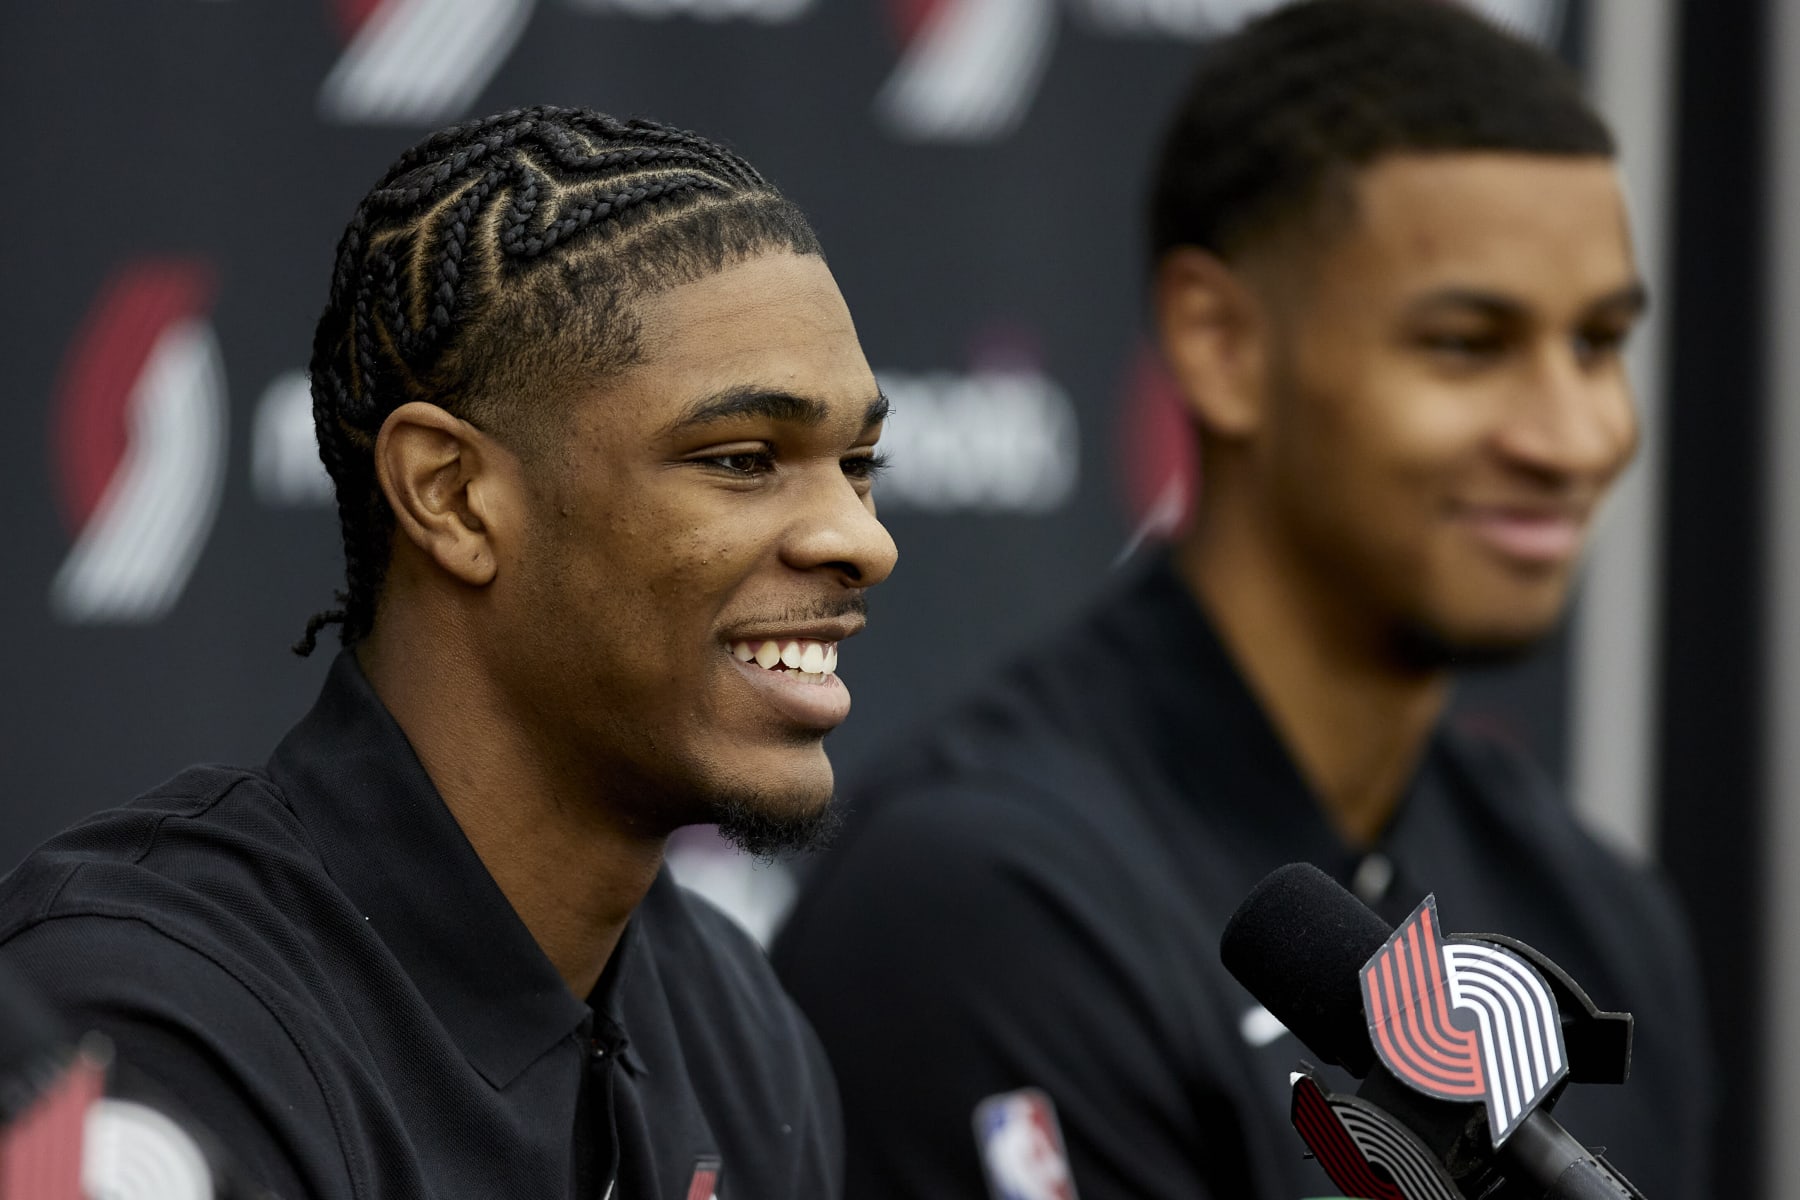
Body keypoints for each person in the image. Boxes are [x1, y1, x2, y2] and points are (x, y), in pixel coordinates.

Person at [771, 3, 1714, 1198]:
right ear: (1218, 340)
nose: (1574, 436)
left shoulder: (1595, 909)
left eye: (1598, 344)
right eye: (1469, 344)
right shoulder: (985, 905)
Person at [0, 105, 896, 1198]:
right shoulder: (147, 1014)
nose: (863, 538)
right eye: (744, 458)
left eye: (858, 464)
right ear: (453, 496)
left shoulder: (741, 1032)